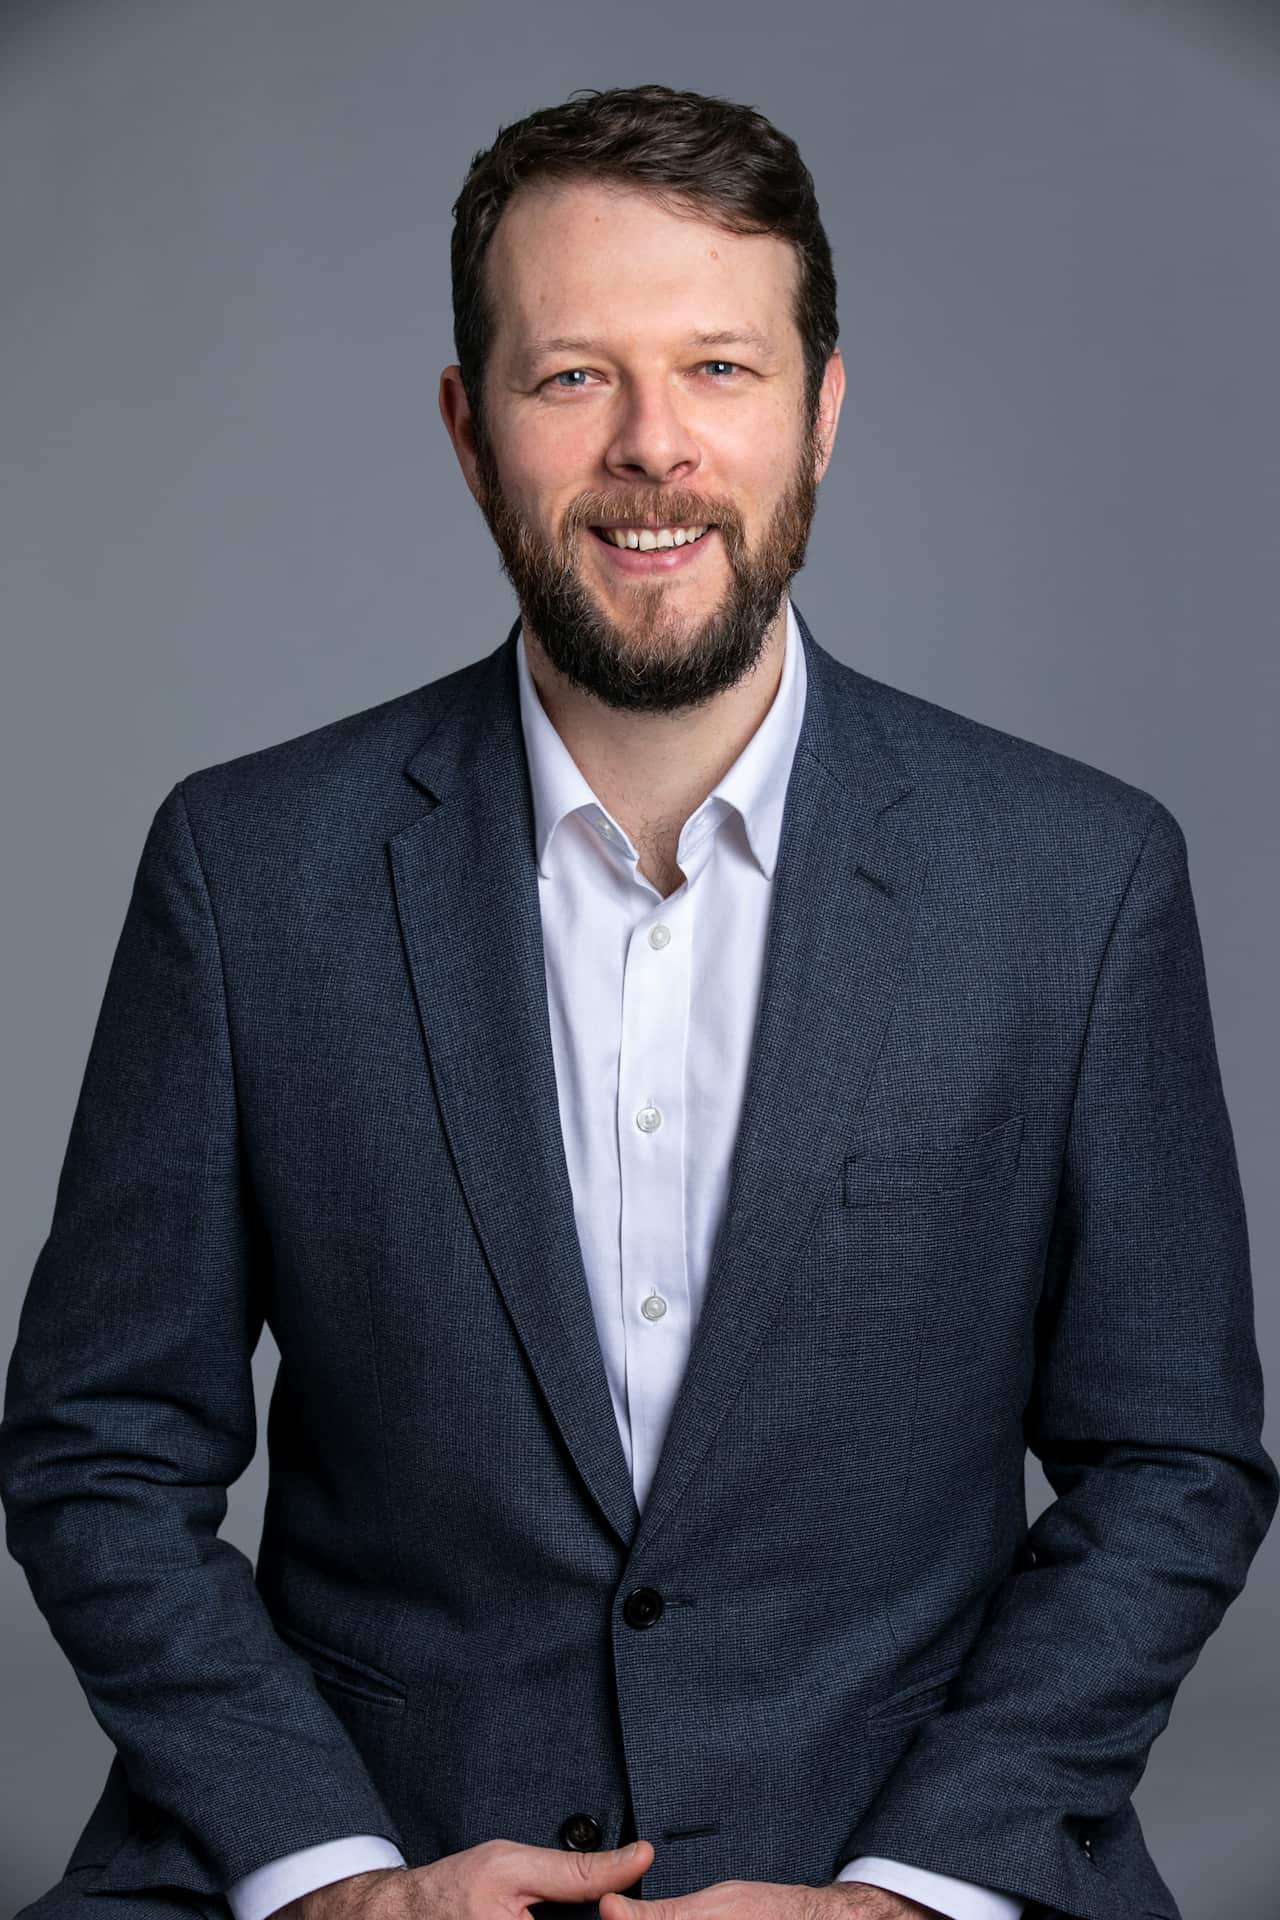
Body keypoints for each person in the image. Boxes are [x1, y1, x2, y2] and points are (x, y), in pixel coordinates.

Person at [1, 81, 1274, 1920]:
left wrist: (913, 1888)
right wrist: (339, 1871)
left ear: (822, 413)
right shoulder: (247, 869)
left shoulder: (1076, 883)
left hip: (896, 1854)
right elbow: (100, 1446)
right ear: (468, 430)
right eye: (573, 375)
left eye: (722, 372)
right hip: (366, 1843)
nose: (655, 450)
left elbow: (1172, 1463)